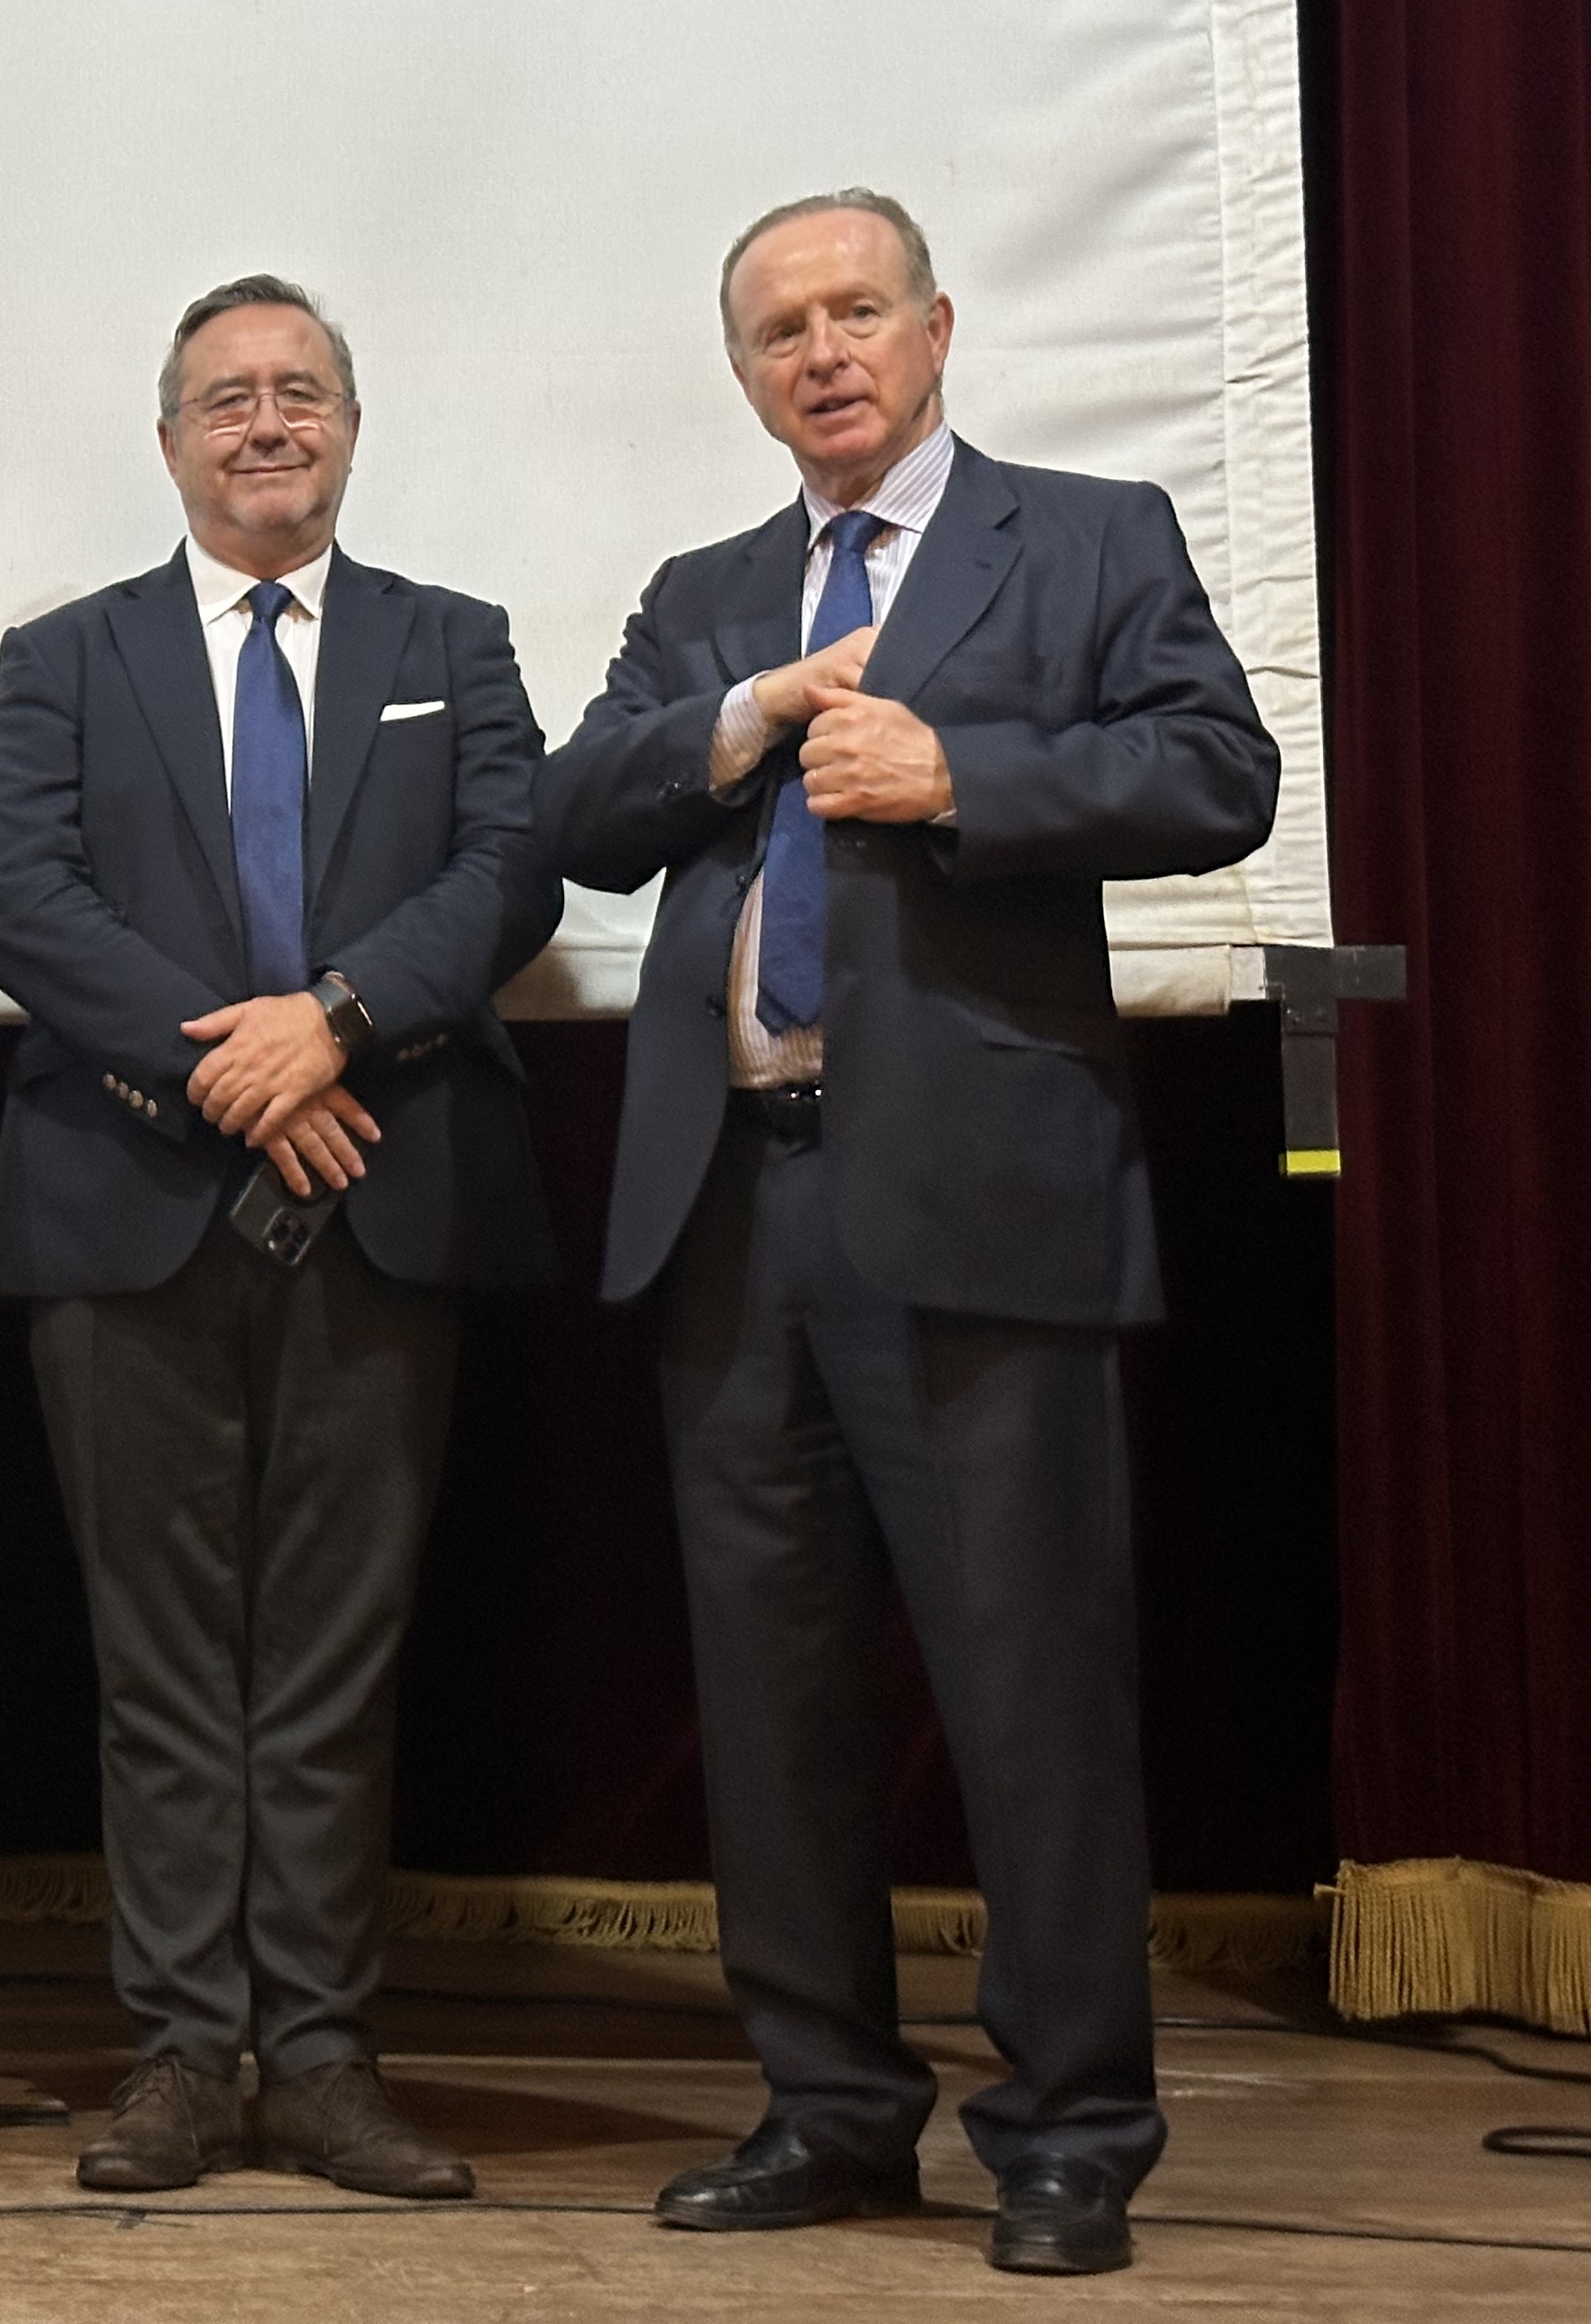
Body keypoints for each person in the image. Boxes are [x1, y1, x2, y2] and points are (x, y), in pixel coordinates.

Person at [539, 191, 1279, 2278]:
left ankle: (1071, 2132)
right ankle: (831, 2109)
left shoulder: (1093, 535)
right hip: (734, 1208)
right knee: (771, 1696)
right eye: (780, 329)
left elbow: (1220, 769)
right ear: (747, 372)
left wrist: (966, 769)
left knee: (1026, 1682)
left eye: (857, 310)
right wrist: (746, 719)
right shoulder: (710, 594)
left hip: (976, 1204)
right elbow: (583, 812)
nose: (823, 350)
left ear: (938, 328)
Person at [0, 275, 561, 2198]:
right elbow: (21, 898)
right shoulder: (65, 656)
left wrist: (343, 1022)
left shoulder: (453, 647)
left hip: (387, 1203)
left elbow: (511, 870)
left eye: (301, 392)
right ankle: (177, 2053)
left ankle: (316, 2052)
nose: (266, 422)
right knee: (158, 1666)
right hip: (130, 1205)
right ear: (170, 442)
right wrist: (232, 1071)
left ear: (351, 431)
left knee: (328, 1659)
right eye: (227, 397)